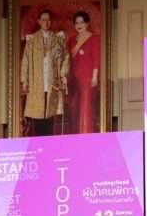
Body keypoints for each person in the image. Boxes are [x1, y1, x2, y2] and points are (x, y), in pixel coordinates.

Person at [19, 8, 68, 136]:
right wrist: (24, 80)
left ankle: (48, 142)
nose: (46, 22)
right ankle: (39, 141)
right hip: (37, 81)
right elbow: (25, 61)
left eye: (48, 20)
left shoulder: (57, 39)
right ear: (39, 21)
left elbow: (65, 57)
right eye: (43, 19)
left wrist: (63, 75)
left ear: (51, 22)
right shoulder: (32, 40)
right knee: (38, 113)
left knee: (50, 114)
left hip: (52, 81)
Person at [65, 10, 101, 134]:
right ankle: (75, 135)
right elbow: (67, 59)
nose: (79, 25)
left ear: (87, 23)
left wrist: (95, 77)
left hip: (87, 78)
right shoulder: (72, 40)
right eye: (76, 23)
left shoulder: (94, 38)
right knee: (73, 108)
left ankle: (86, 134)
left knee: (86, 109)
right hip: (73, 78)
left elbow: (96, 59)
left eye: (82, 22)